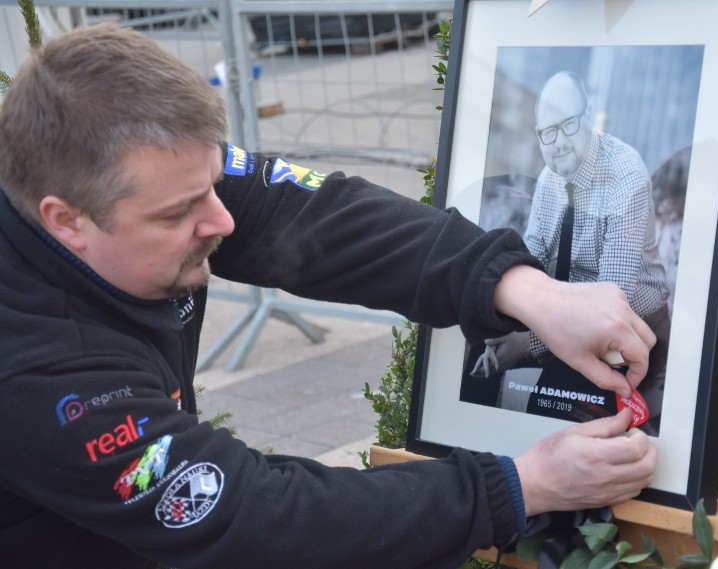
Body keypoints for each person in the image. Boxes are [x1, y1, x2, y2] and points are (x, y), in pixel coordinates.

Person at [0, 25, 657, 569]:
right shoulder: (38, 367)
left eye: (212, 182)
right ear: (68, 221)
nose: (222, 221)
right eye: (180, 213)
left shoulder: (124, 182)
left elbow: (314, 218)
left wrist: (523, 288)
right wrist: (518, 486)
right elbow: (252, 518)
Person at [468, 71, 671, 434]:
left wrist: (527, 343)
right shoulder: (551, 178)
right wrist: (504, 330)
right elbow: (530, 260)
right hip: (571, 320)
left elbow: (611, 304)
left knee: (571, 430)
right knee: (478, 360)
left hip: (633, 334)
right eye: (548, 131)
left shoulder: (626, 175)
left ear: (589, 115)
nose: (558, 142)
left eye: (568, 125)